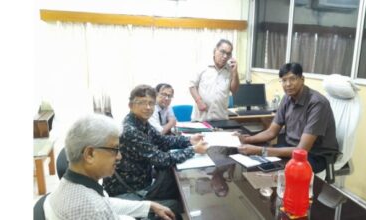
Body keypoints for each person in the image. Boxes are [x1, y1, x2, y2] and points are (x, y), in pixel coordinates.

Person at [103, 85, 208, 219]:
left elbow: (162, 140)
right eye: (141, 103)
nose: (147, 107)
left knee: (175, 182)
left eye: (151, 103)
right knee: (175, 201)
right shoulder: (130, 130)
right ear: (130, 105)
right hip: (129, 190)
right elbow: (161, 159)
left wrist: (189, 140)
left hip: (142, 180)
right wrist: (193, 150)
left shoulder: (141, 123)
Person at [43, 114, 175, 220]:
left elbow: (106, 202)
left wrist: (149, 206)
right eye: (115, 150)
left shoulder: (74, 184)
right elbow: (101, 207)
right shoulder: (91, 208)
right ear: (90, 154)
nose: (119, 157)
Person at [237, 62, 339, 173]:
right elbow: (271, 132)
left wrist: (260, 151)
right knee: (256, 163)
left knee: (279, 169)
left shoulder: (317, 103)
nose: (288, 84)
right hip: (291, 147)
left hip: (316, 155)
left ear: (302, 79)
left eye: (292, 79)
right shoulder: (287, 98)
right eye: (284, 80)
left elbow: (302, 150)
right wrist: (247, 139)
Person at [189, 39, 240, 122]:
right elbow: (191, 85)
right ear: (215, 50)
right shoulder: (202, 66)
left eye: (228, 54)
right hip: (201, 118)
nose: (225, 56)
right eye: (222, 52)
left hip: (221, 118)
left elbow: (234, 90)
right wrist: (198, 101)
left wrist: (235, 73)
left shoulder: (230, 69)